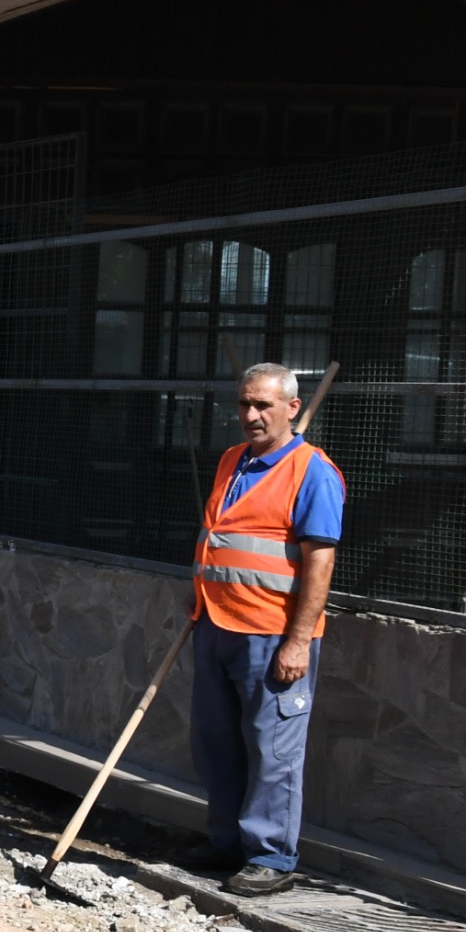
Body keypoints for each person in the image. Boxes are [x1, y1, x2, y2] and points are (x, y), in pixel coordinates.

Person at [187, 362, 343, 897]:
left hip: (272, 634)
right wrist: (199, 591)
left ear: (292, 408)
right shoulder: (232, 460)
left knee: (273, 749)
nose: (251, 415)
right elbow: (222, 536)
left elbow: (320, 562)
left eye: (263, 405)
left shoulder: (312, 472)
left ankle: (271, 856)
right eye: (245, 404)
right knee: (216, 742)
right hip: (215, 622)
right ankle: (226, 841)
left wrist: (298, 641)